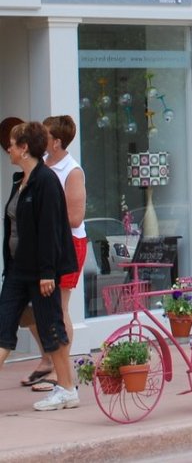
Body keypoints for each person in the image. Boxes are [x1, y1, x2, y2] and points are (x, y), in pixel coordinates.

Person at [0, 120, 78, 410]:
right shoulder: (20, 181)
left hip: (40, 273)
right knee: (3, 327)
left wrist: (48, 273)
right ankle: (66, 389)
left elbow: (49, 230)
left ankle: (67, 389)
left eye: (12, 144)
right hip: (17, 271)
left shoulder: (46, 181)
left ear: (24, 148)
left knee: (51, 328)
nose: (8, 149)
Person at [19, 115, 86, 392]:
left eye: (44, 135)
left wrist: (43, 217)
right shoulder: (40, 165)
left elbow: (76, 217)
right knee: (28, 310)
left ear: (56, 142)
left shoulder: (72, 171)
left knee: (59, 308)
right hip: (42, 245)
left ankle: (61, 373)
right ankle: (48, 358)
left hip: (68, 245)